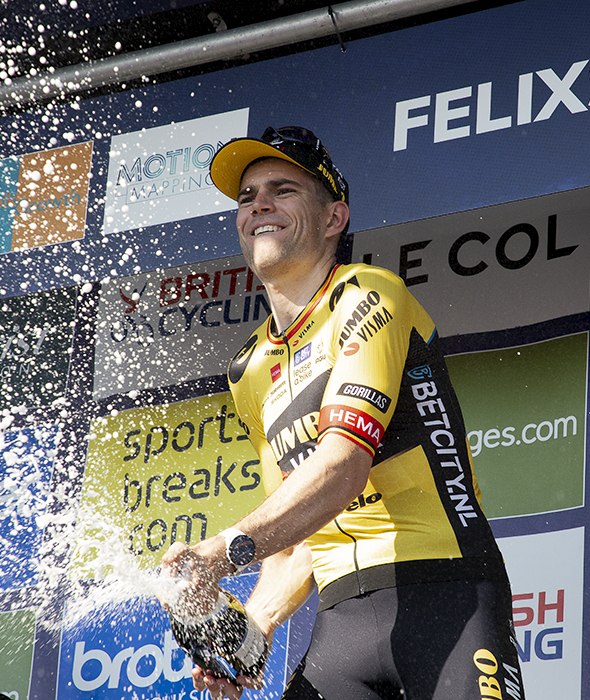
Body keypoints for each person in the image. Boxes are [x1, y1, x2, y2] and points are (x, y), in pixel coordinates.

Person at [160, 126, 525, 700]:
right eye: (247, 195)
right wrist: (246, 637)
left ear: (334, 219)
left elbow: (342, 466)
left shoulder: (369, 295)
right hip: (341, 627)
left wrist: (223, 550)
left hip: (446, 593)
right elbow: (298, 531)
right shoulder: (250, 369)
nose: (259, 204)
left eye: (283, 189)